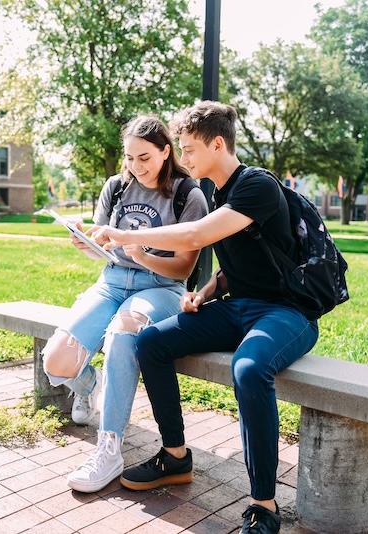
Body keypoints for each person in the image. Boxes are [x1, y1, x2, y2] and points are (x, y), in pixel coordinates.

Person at [91, 101, 320, 534]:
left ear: (218, 143)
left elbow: (197, 235)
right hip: (238, 307)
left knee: (249, 369)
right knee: (151, 342)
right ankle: (175, 456)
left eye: (190, 149)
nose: (184, 158)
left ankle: (263, 505)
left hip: (287, 312)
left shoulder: (256, 185)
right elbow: (241, 262)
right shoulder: (215, 191)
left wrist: (124, 234)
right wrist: (207, 292)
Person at [42, 114, 208, 493]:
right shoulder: (116, 187)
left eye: (145, 158)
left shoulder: (187, 195)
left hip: (161, 287)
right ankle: (91, 384)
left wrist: (144, 254)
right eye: (130, 158)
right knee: (57, 360)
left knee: (123, 333)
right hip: (113, 282)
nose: (136, 167)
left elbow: (184, 265)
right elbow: (105, 251)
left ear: (166, 151)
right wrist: (87, 245)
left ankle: (109, 448)